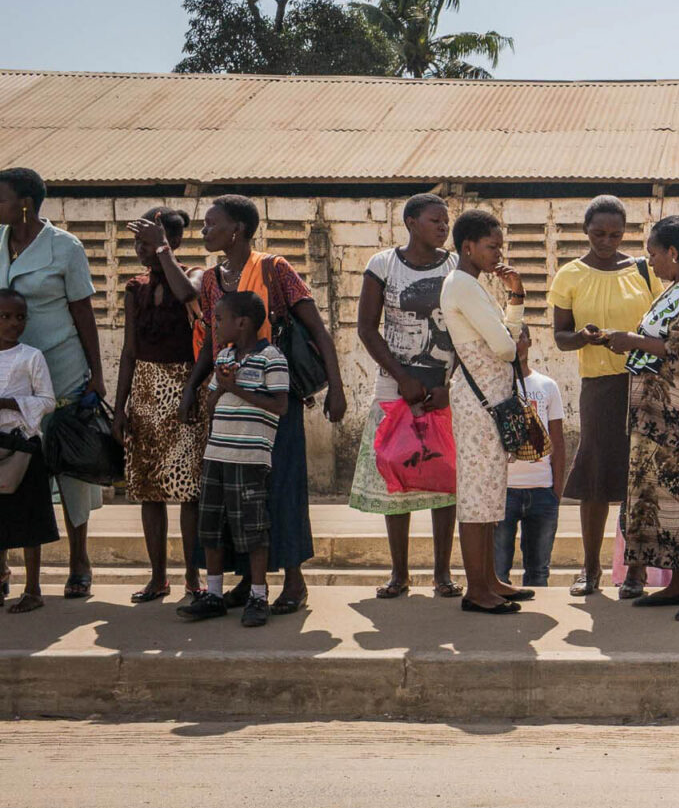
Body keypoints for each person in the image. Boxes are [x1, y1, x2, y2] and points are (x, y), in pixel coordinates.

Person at [171, 195, 346, 618]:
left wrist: (337, 388)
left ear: (237, 230)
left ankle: (293, 581)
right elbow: (213, 346)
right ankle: (250, 582)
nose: (204, 231)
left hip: (273, 400)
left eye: (211, 224)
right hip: (230, 404)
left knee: (281, 488)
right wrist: (192, 388)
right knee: (236, 494)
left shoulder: (275, 269)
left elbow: (317, 330)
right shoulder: (212, 280)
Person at [602, 215, 679, 621]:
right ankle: (678, 583)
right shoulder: (676, 290)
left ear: (673, 253)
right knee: (662, 501)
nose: (650, 261)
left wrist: (632, 341)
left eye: (654, 253)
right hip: (655, 416)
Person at [0, 166, 105, 601]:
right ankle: (3, 567)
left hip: (60, 369)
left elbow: (84, 313)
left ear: (25, 203)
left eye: (1, 198)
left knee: (70, 464)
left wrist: (96, 376)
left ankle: (79, 559)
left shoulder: (65, 248)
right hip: (7, 373)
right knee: (5, 465)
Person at [351, 193, 460, 600]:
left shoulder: (455, 266)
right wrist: (401, 378)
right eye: (435, 221)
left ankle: (442, 573)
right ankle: (399, 574)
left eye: (446, 223)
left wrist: (450, 387)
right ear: (412, 222)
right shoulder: (383, 265)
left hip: (443, 391)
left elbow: (467, 332)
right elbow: (366, 328)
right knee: (396, 478)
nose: (443, 228)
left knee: (444, 480)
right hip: (394, 392)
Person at [550, 196, 655, 597]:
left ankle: (635, 571)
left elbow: (660, 330)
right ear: (585, 231)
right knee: (594, 478)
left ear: (624, 233)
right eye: (598, 233)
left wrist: (632, 342)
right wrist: (582, 337)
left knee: (638, 479)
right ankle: (590, 569)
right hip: (599, 388)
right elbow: (560, 338)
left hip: (644, 385)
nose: (606, 241)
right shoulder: (569, 276)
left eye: (614, 234)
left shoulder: (645, 272)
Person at [179, 291, 288, 628]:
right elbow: (212, 403)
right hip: (217, 453)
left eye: (220, 319)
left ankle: (258, 595)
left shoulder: (272, 357)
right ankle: (213, 594)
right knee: (211, 526)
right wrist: (222, 387)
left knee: (253, 528)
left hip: (249, 457)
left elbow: (280, 405)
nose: (215, 325)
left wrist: (236, 388)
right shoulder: (224, 356)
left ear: (241, 323)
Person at [441, 209, 531, 615]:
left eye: (500, 246)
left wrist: (517, 296)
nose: (498, 254)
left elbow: (508, 340)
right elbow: (507, 348)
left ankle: (490, 579)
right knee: (477, 497)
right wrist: (514, 337)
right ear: (468, 247)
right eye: (491, 247)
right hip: (480, 405)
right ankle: (477, 589)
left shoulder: (474, 285)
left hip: (490, 403)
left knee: (490, 494)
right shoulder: (462, 285)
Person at [114, 207, 203, 606]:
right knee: (149, 490)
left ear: (174, 243)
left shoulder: (196, 275)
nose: (142, 249)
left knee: (188, 489)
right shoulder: (135, 288)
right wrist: (120, 408)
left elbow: (188, 296)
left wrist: (164, 250)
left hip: (186, 388)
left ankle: (192, 577)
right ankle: (158, 577)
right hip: (147, 392)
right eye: (139, 242)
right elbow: (130, 352)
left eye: (150, 241)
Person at [0, 288, 58, 614]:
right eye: (5, 317)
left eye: (20, 317)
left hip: (23, 448)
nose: (13, 323)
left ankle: (33, 588)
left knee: (29, 520)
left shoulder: (31, 356)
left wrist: (9, 403)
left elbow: (47, 401)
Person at [495, 330, 566, 590]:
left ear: (530, 341)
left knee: (538, 574)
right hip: (503, 492)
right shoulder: (494, 386)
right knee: (498, 572)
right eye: (509, 337)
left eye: (520, 336)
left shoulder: (547, 386)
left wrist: (556, 491)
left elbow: (557, 442)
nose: (516, 343)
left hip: (542, 492)